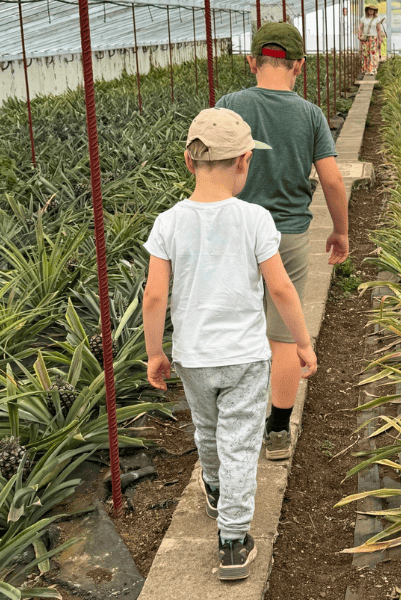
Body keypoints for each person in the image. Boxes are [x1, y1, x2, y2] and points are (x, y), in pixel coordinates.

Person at [143, 107, 318, 580]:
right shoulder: (255, 219)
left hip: (194, 358)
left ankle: (217, 490)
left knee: (207, 430)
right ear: (245, 161)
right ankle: (234, 540)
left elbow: (156, 294)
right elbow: (280, 288)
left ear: (188, 161)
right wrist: (302, 342)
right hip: (244, 356)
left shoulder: (168, 223)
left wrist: (155, 353)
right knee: (241, 443)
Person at [214, 23, 348, 462]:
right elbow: (331, 179)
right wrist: (340, 232)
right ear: (300, 66)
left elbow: (208, 167)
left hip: (235, 231)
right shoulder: (309, 114)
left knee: (235, 329)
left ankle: (235, 423)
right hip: (287, 235)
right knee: (285, 335)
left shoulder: (231, 106)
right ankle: (276, 431)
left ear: (252, 62)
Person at [358, 1, 384, 76]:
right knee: (365, 54)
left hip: (373, 38)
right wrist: (359, 36)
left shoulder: (377, 19)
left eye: (372, 10)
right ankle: (366, 70)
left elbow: (378, 30)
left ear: (374, 11)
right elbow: (360, 28)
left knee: (372, 53)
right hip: (365, 37)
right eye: (369, 10)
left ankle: (372, 70)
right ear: (367, 11)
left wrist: (379, 39)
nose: (371, 11)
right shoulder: (363, 18)